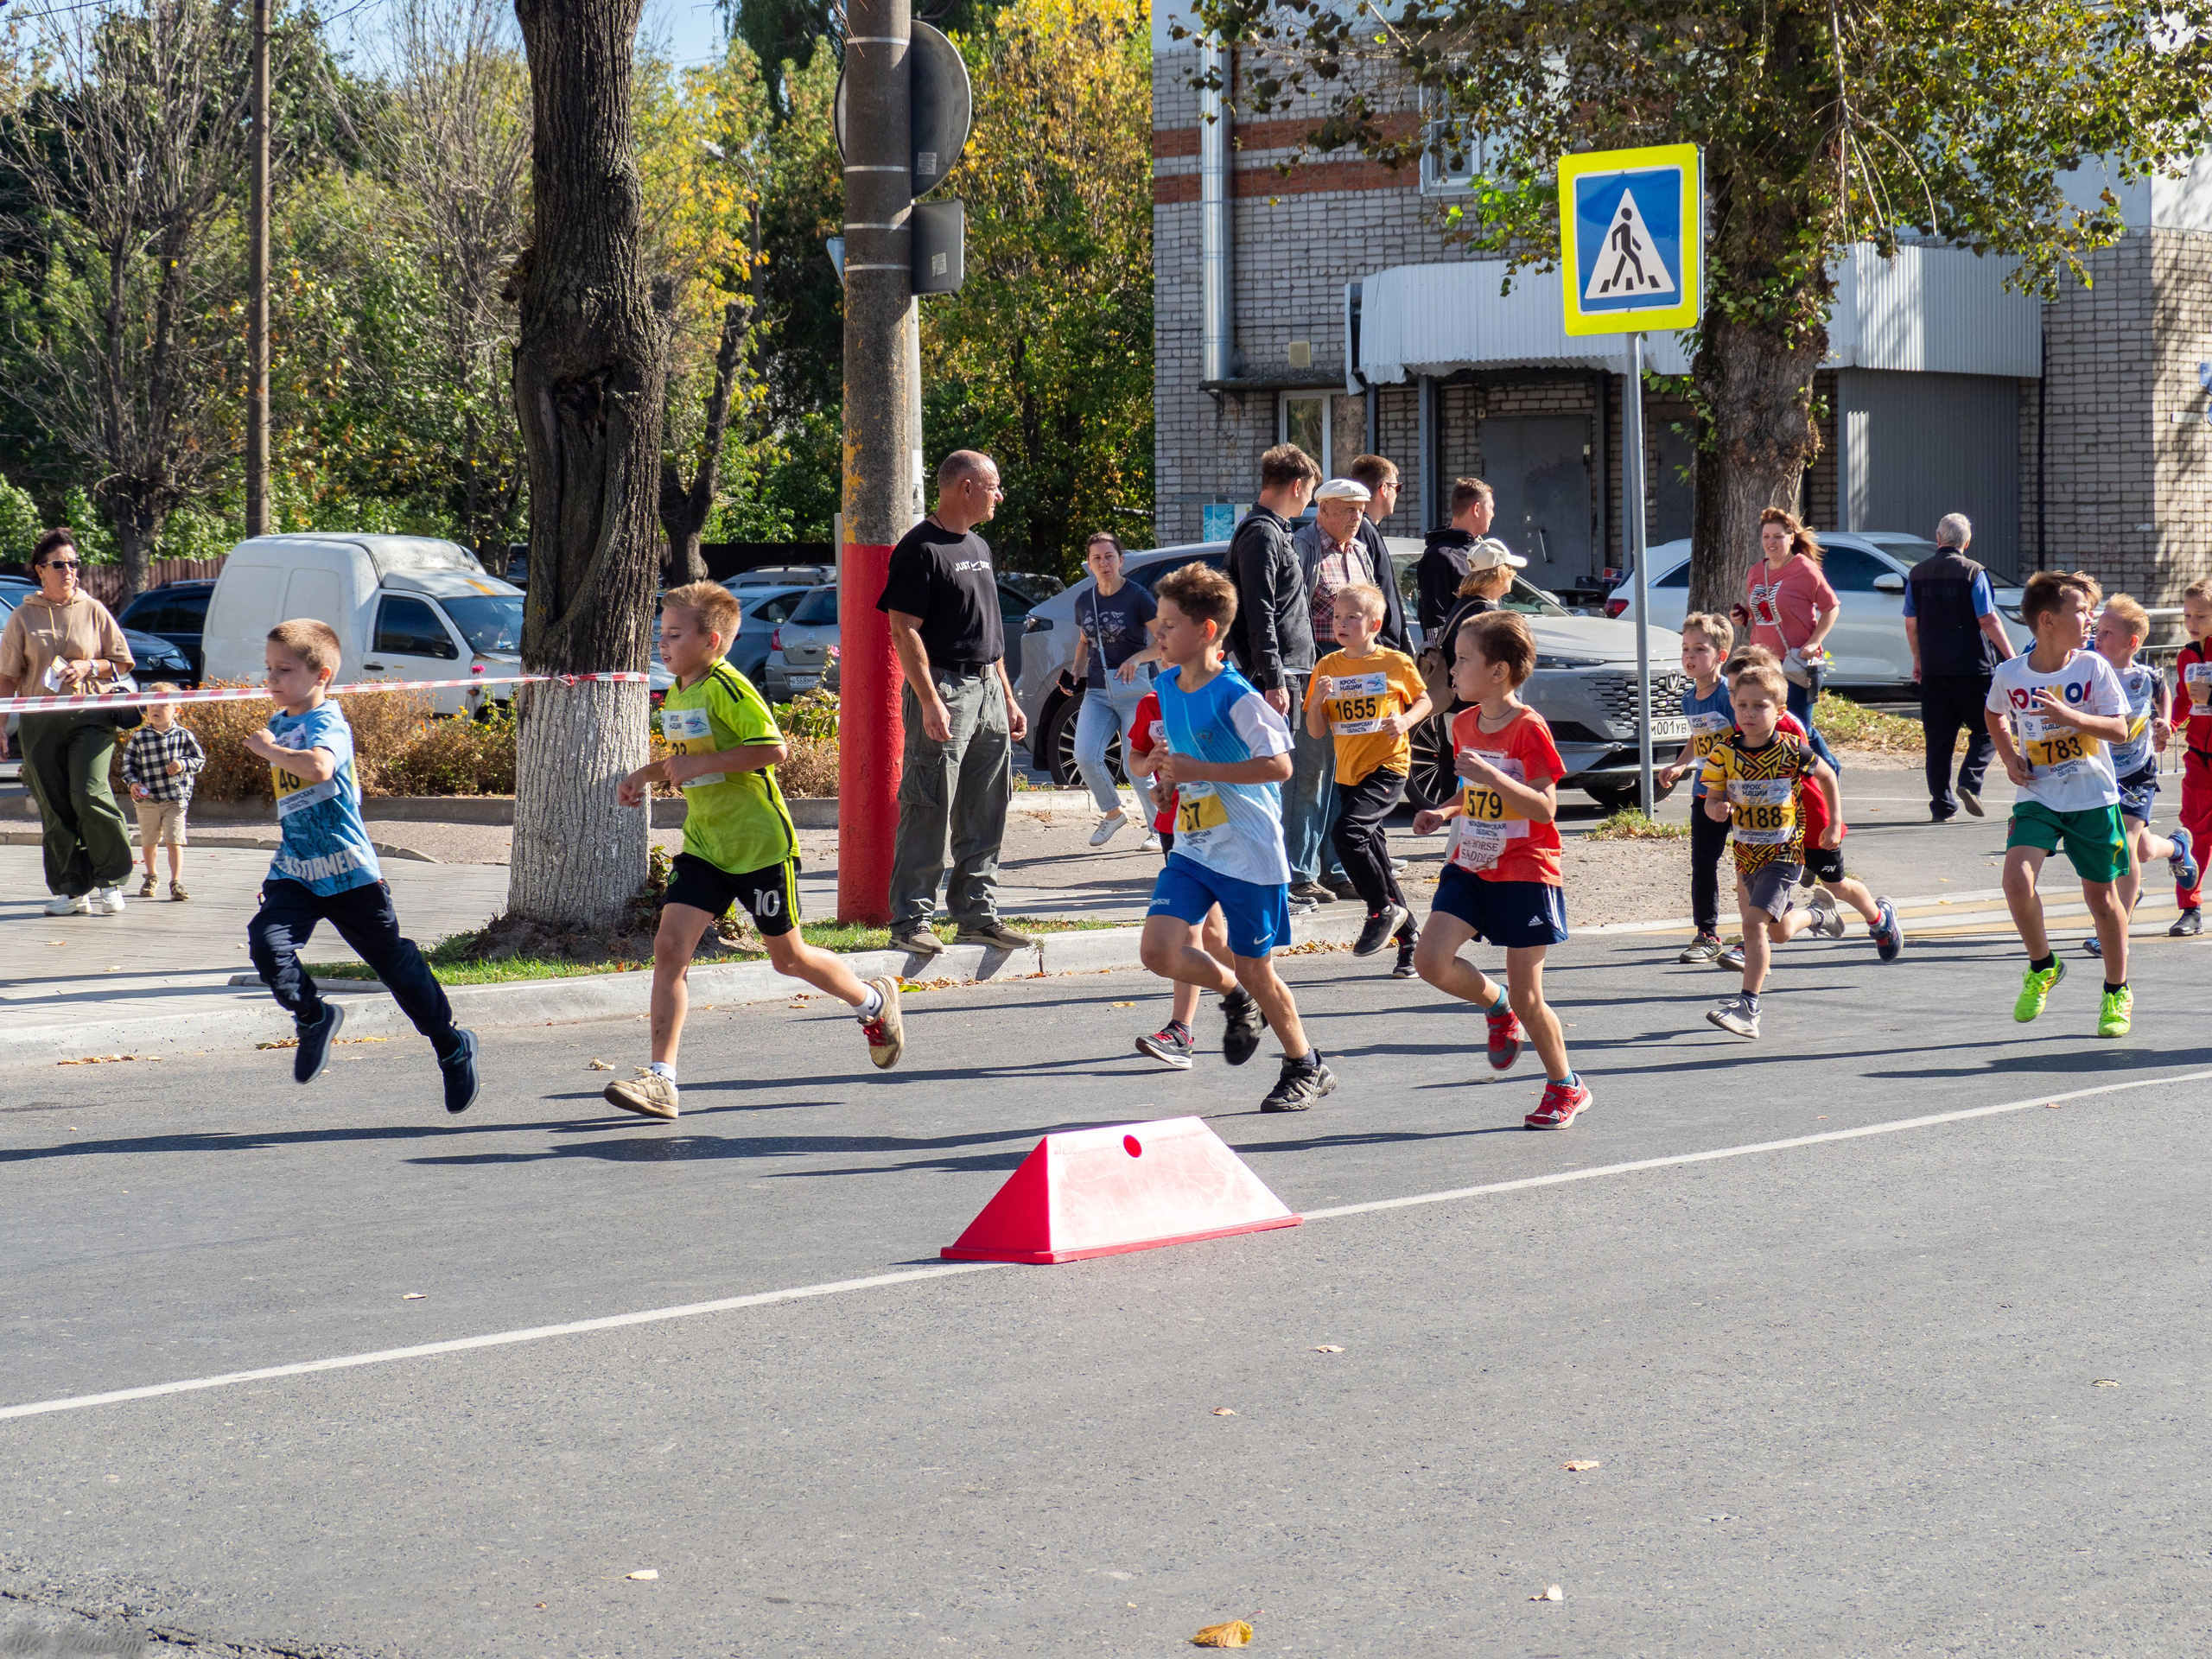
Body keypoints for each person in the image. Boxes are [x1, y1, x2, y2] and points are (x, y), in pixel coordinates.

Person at [605, 582, 904, 1121]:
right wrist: (646, 775)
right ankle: (661, 1080)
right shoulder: (678, 690)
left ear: (711, 640)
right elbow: (687, 755)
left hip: (760, 845)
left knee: (789, 959)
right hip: (705, 846)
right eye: (661, 633)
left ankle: (873, 1002)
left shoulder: (728, 686)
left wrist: (697, 767)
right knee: (670, 949)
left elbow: (773, 748)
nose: (662, 644)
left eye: (674, 635)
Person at [244, 619, 480, 1113]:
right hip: (296, 871)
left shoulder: (328, 721)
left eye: (283, 670)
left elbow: (319, 768)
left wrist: (270, 749)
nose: (271, 680)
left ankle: (451, 1045)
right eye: (268, 669)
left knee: (395, 966)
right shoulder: (283, 721)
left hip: (350, 872)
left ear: (321, 674)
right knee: (267, 945)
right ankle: (313, 1016)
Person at [1137, 561, 1337, 1112]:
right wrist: (1167, 781)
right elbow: (1181, 761)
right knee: (1158, 951)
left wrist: (1200, 770)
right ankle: (1233, 995)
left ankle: (1305, 1064)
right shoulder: (1165, 686)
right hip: (1194, 843)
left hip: (1249, 852)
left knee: (1257, 965)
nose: (1159, 634)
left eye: (1169, 625)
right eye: (1158, 623)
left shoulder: (1237, 694)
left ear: (1206, 630)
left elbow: (1279, 767)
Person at [1409, 609, 1592, 1129]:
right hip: (1470, 862)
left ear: (1499, 673)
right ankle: (1495, 1006)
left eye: (1463, 660)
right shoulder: (1463, 723)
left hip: (1525, 869)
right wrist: (1444, 810)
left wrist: (1491, 773)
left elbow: (1544, 807)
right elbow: (1473, 792)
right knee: (1430, 960)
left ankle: (1565, 1085)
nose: (1452, 670)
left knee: (1532, 996)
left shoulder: (1528, 729)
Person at [880, 449, 1033, 959]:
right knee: (929, 802)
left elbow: (988, 631)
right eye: (993, 486)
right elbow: (904, 630)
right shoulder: (918, 549)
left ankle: (976, 916)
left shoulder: (980, 546)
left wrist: (1007, 697)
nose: (999, 495)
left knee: (986, 806)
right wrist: (928, 700)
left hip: (989, 689)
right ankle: (911, 919)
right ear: (965, 487)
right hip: (945, 690)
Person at [1985, 571, 2135, 1037]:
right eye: (2082, 612)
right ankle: (2043, 965)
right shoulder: (2011, 674)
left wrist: (2069, 716)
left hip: (2092, 798)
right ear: (2048, 620)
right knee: (2015, 879)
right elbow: (1993, 713)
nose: (2090, 619)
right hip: (2039, 794)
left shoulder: (2092, 668)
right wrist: (2010, 758)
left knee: (2103, 902)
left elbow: (2119, 729)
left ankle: (2116, 991)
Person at [1699, 658, 1844, 1039]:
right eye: (1742, 704)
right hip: (1747, 856)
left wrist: (1832, 822)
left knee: (1752, 925)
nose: (1748, 713)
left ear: (1779, 711)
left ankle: (1748, 1008)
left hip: (1784, 854)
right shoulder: (1723, 753)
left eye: (1760, 706)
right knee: (1776, 933)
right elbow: (1710, 799)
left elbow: (1828, 775)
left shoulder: (1792, 750)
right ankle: (1817, 914)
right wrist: (1718, 809)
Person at [0, 527, 136, 915]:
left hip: (90, 715)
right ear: (40, 570)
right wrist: (0, 723)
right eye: (59, 564)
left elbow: (123, 662)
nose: (69, 571)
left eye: (74, 564)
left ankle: (111, 880)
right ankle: (71, 889)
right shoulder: (23, 616)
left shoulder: (93, 609)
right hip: (40, 720)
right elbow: (8, 678)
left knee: (89, 793)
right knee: (54, 804)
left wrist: (90, 664)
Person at [1306, 582, 1430, 969]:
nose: (1341, 623)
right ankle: (1410, 939)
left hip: (1388, 766)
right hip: (1348, 772)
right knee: (1373, 852)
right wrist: (1319, 703)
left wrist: (1405, 719)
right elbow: (1314, 730)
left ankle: (1380, 909)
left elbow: (1425, 699)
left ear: (1375, 623)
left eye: (1351, 617)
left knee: (1347, 834)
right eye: (1337, 617)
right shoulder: (1326, 667)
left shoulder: (1394, 663)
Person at [1224, 443, 1323, 906]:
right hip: (1275, 676)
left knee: (1287, 776)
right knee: (1276, 777)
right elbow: (1259, 612)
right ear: (1297, 485)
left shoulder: (1275, 531)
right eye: (1310, 492)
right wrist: (1273, 678)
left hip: (1290, 671)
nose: (1310, 502)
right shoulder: (1261, 534)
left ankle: (1279, 876)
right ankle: (1270, 879)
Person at [1124, 683, 1234, 1067]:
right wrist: (1151, 763)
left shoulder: (1224, 696)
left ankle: (1181, 1032)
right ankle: (1254, 997)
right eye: (1161, 638)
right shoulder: (1151, 704)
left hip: (1220, 828)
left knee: (1196, 932)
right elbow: (1135, 760)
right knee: (1211, 934)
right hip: (1176, 829)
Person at [2080, 594, 2195, 958]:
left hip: (2136, 772)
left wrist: (2164, 724)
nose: (2098, 637)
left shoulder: (2145, 676)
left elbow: (2164, 695)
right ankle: (2178, 848)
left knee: (2127, 846)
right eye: (2098, 630)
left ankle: (2117, 926)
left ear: (2131, 642)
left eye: (2107, 633)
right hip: (2099, 771)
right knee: (2143, 850)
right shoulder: (2087, 670)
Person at [1287, 477, 1380, 902]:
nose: (1357, 517)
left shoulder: (1360, 550)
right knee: (1311, 771)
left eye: (1361, 509)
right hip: (1318, 669)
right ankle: (1301, 871)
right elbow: (1293, 614)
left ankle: (1339, 868)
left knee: (1347, 771)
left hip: (1357, 674)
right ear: (1322, 509)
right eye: (1348, 509)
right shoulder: (1303, 548)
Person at [1904, 513, 2013, 822]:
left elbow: (1911, 624)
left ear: (1938, 538)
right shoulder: (1973, 572)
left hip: (1934, 669)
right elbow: (1987, 619)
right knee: (1988, 727)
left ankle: (1941, 804)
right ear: (1966, 542)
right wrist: (2010, 655)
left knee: (1938, 740)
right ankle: (1969, 781)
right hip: (1973, 667)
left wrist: (1918, 660)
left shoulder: (1917, 573)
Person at [1061, 531, 1159, 848]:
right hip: (1099, 691)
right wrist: (1075, 672)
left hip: (1135, 691)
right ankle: (1114, 812)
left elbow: (1164, 643)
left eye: (1109, 557)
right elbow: (1084, 641)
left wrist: (1138, 657)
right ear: (1089, 565)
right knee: (1085, 755)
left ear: (1121, 560)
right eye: (1097, 558)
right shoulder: (1083, 601)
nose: (1104, 563)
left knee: (1137, 768)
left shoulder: (1138, 596)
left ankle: (1158, 829)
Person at [1732, 508, 1841, 772]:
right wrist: (1743, 615)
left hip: (1795, 661)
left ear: (1791, 538)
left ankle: (1827, 770)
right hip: (1762, 662)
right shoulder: (1757, 571)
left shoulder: (1804, 569)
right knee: (1773, 724)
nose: (1771, 542)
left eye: (1778, 536)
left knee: (1799, 726)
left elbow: (1831, 607)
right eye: (1767, 536)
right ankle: (1786, 780)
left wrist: (1814, 642)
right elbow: (1760, 609)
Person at [1657, 613, 1738, 963]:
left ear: (1721, 656)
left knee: (1749, 863)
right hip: (1705, 791)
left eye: (1700, 649)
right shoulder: (1690, 698)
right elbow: (1699, 735)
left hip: (1740, 793)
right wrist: (1680, 763)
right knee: (1703, 862)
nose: (1690, 656)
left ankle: (1759, 927)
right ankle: (1706, 934)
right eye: (1685, 649)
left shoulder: (1729, 694)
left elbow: (1743, 736)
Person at [122, 684, 205, 900]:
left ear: (177, 710)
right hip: (147, 799)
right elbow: (128, 764)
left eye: (163, 704)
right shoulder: (140, 737)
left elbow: (198, 760)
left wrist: (183, 764)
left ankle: (176, 881)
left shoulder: (184, 735)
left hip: (175, 798)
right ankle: (151, 876)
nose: (155, 709)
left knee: (173, 840)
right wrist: (132, 783)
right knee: (149, 841)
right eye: (151, 704)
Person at [2168, 578, 2212, 937]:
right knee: (2193, 835)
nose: (2192, 622)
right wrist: (2168, 724)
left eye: (2201, 615)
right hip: (2198, 757)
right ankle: (2190, 908)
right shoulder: (2186, 655)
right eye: (2187, 615)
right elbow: (2184, 700)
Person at [1346, 454, 1413, 653]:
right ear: (1384, 488)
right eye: (1397, 487)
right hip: (1377, 647)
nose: (1397, 494)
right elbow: (1366, 591)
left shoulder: (1369, 528)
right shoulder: (1362, 529)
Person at [1415, 478, 1496, 638]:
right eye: (1491, 508)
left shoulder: (1479, 549)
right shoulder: (1439, 556)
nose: (1493, 514)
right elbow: (1434, 620)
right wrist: (1441, 660)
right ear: (1477, 509)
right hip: (1458, 658)